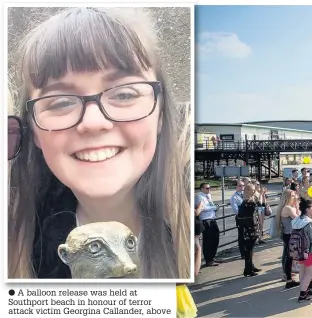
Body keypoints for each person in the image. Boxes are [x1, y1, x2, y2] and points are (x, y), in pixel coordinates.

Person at [8, 7, 190, 279]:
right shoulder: (14, 252)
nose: (93, 123)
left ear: (160, 113)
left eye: (125, 94)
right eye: (60, 102)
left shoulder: (191, 230)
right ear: (33, 130)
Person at [293, 199, 312, 302]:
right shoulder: (309, 222)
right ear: (307, 209)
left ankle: (305, 290)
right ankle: (302, 295)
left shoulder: (297, 220)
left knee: (302, 271)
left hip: (299, 249)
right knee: (309, 273)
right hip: (309, 251)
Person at [277, 190, 300, 289]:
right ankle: (288, 279)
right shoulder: (287, 208)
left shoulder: (289, 207)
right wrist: (297, 206)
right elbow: (298, 219)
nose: (295, 198)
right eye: (293, 196)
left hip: (289, 234)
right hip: (289, 234)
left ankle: (288, 276)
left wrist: (296, 206)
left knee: (289, 256)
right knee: (289, 257)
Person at [238, 184, 262, 277]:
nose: (254, 191)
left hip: (251, 228)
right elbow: (260, 204)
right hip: (248, 229)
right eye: (253, 190)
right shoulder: (248, 202)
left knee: (250, 250)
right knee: (249, 250)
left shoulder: (248, 202)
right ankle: (248, 270)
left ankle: (250, 266)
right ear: (248, 190)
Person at [197, 184, 220, 267]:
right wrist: (214, 208)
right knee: (208, 241)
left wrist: (213, 207)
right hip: (206, 221)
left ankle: (212, 257)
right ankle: (208, 260)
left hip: (212, 219)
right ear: (202, 189)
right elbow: (203, 208)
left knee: (215, 238)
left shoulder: (208, 196)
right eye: (207, 188)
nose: (209, 189)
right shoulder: (199, 197)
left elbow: (210, 205)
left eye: (210, 188)